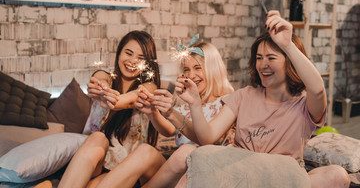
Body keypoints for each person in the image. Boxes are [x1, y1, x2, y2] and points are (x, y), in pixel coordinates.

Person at [142, 11, 350, 188]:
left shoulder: (303, 103)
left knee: (337, 175)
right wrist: (195, 103)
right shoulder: (243, 95)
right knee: (194, 161)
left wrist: (288, 45)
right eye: (259, 58)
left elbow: (318, 90)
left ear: (290, 62)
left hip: (281, 175)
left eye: (271, 58)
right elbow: (207, 138)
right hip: (240, 170)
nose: (263, 65)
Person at [55, 30, 167, 188]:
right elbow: (101, 79)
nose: (133, 61)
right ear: (119, 53)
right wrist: (102, 89)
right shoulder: (105, 76)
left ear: (148, 64)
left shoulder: (149, 86)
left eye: (141, 59)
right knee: (97, 137)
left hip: (129, 168)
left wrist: (111, 99)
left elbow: (128, 101)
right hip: (99, 161)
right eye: (128, 53)